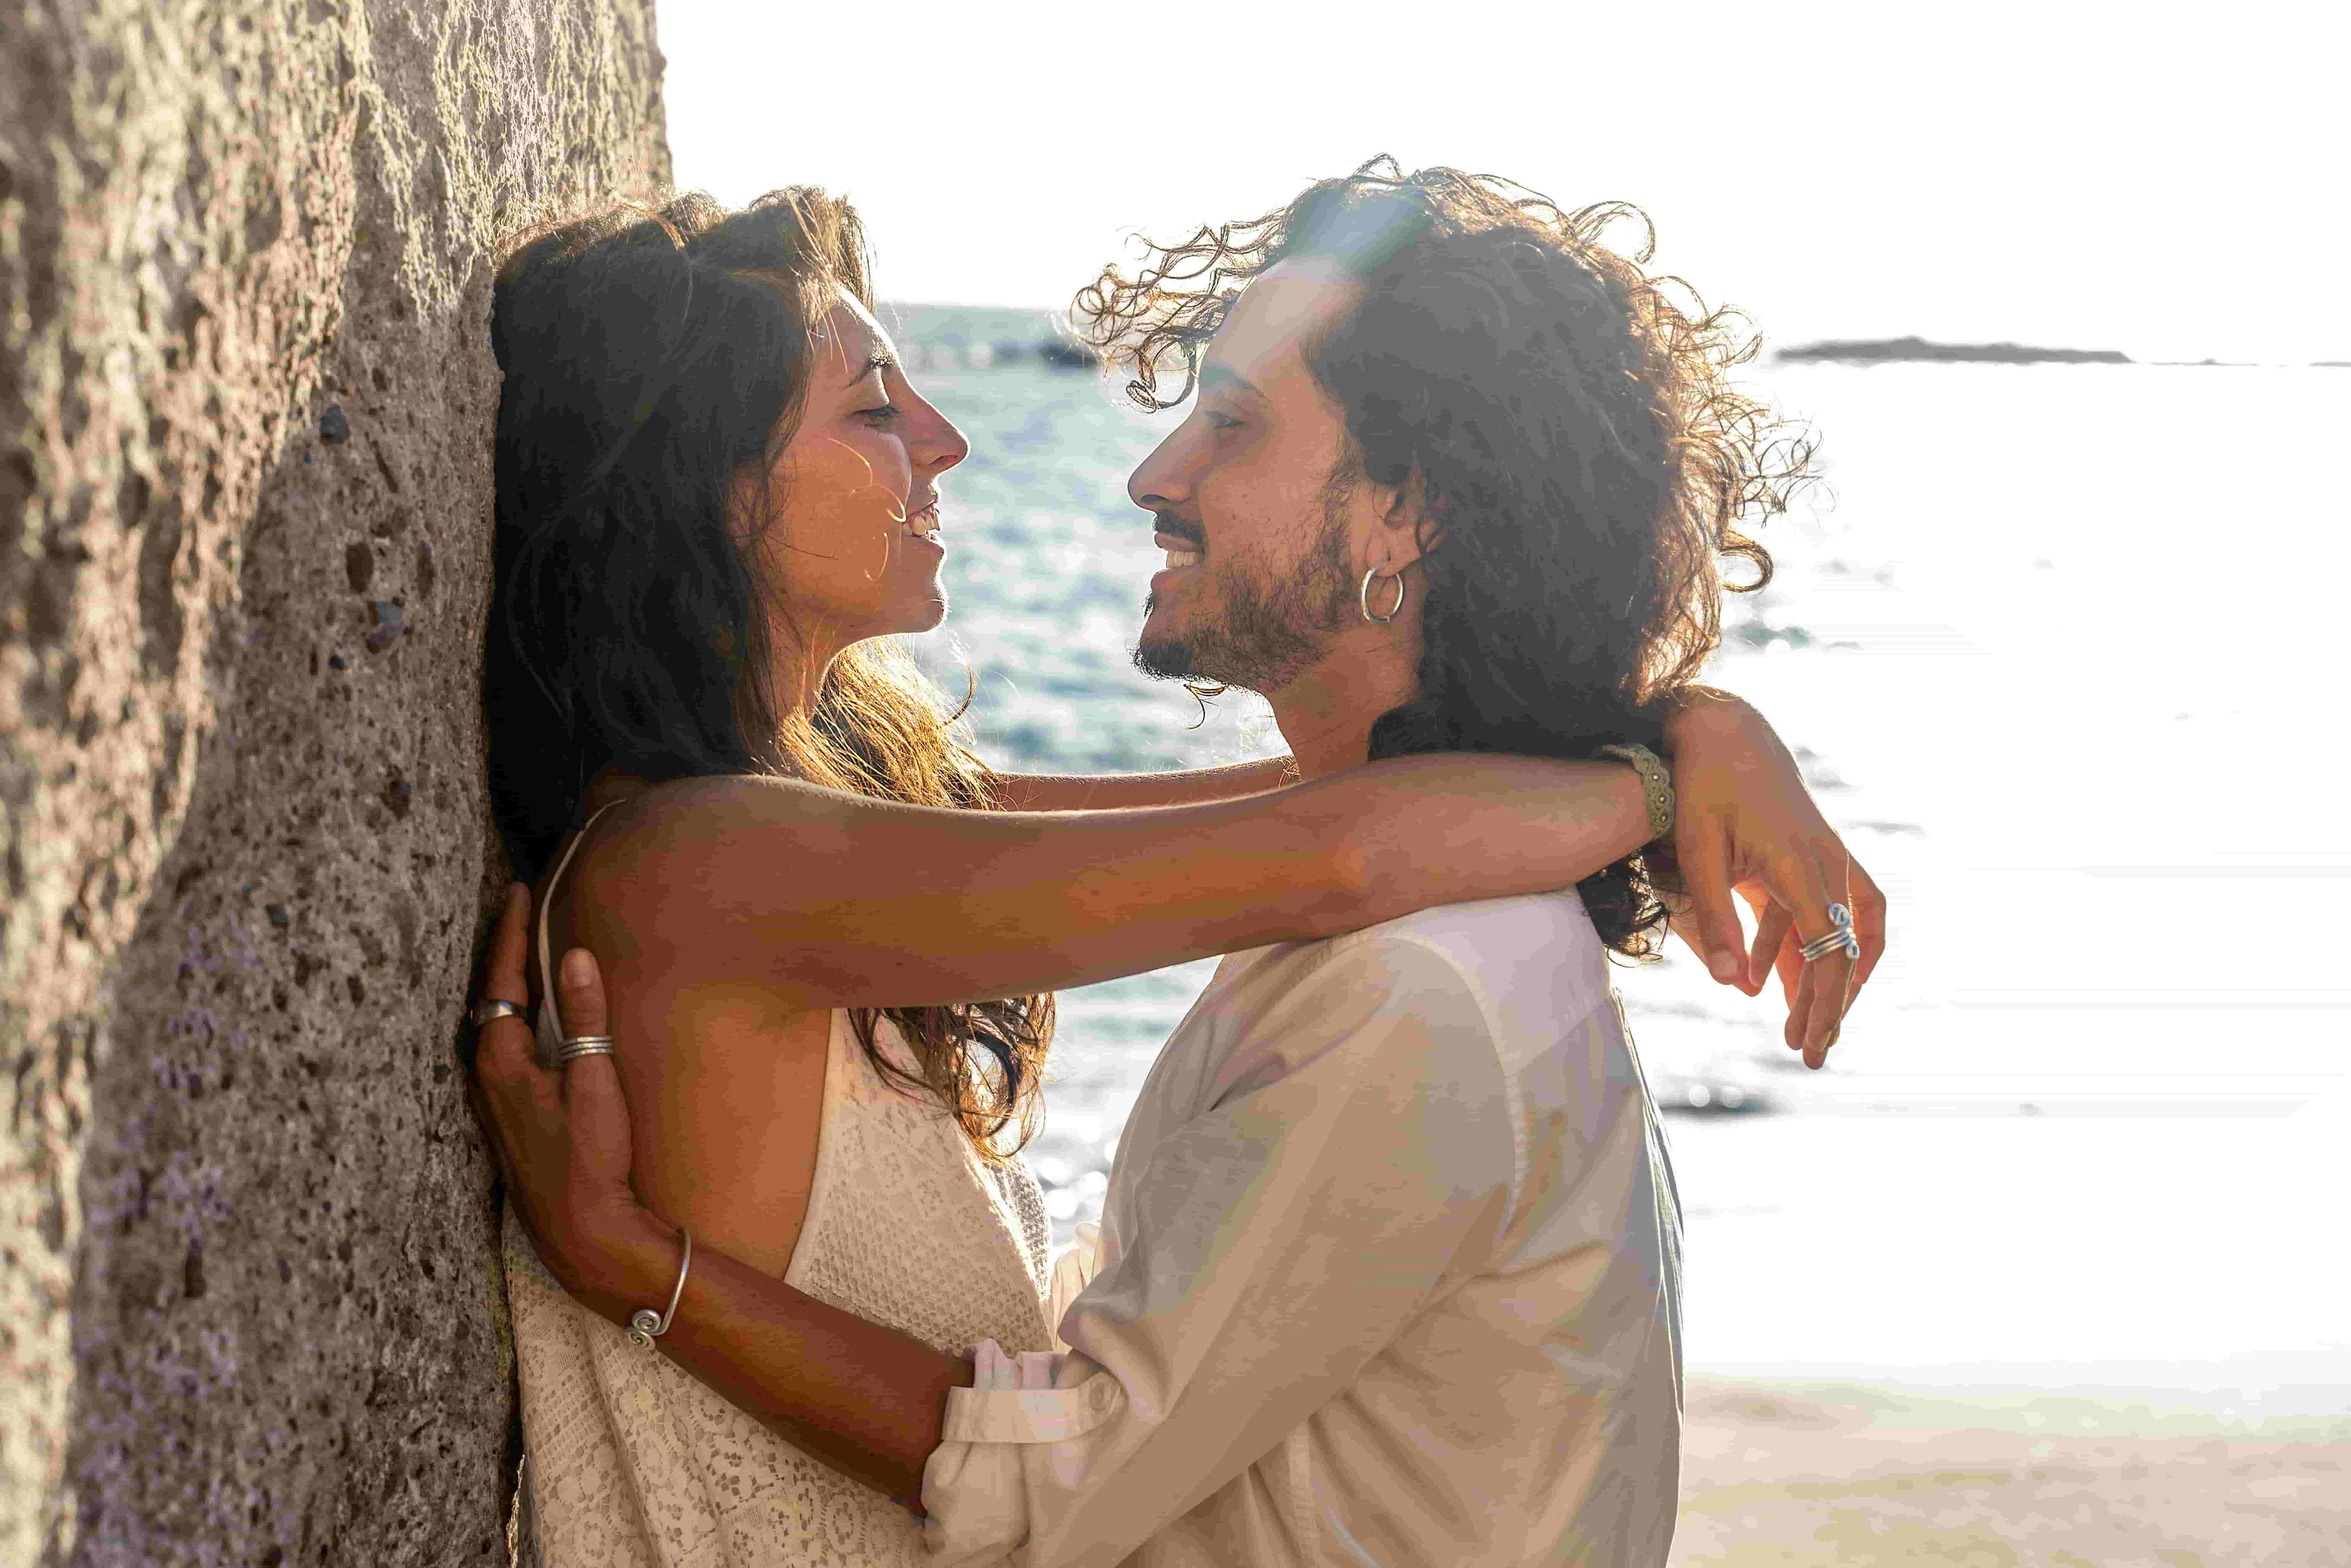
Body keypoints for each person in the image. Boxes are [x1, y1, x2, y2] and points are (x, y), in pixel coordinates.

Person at [475, 164, 1881, 1565]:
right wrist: (1656, 765)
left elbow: (1305, 837)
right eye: (874, 410)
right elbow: (1317, 846)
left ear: (1407, 511)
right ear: (705, 485)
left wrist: (1676, 743)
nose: (1140, 473)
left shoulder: (1417, 970)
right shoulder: (722, 861)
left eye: (1230, 422)